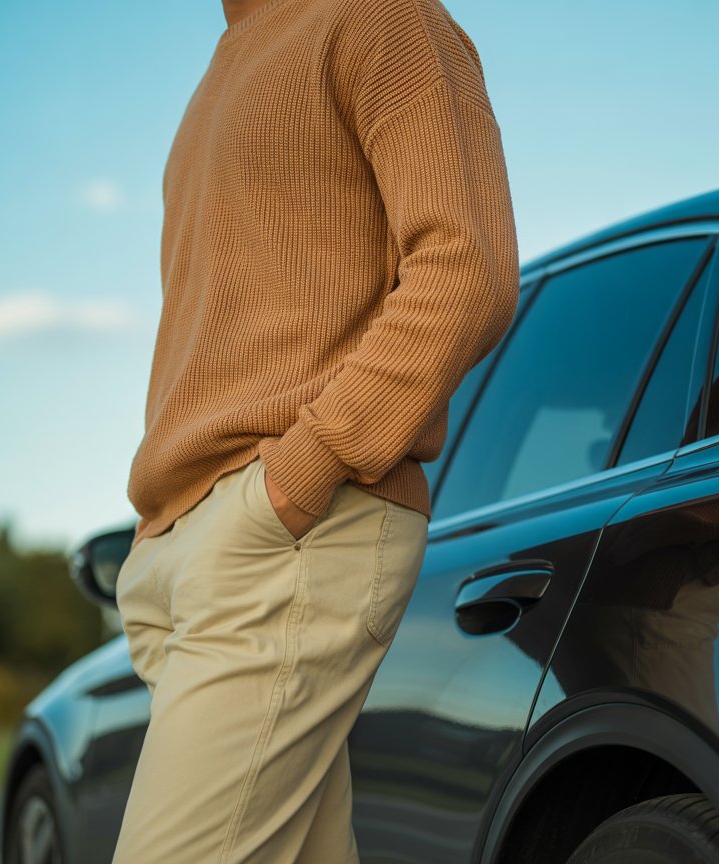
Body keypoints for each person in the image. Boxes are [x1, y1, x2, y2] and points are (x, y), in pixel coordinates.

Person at [111, 0, 519, 859]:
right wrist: (163, 534)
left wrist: (304, 470)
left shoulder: (380, 16)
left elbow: (469, 267)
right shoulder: (225, 64)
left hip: (284, 544)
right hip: (184, 561)